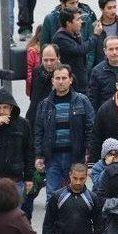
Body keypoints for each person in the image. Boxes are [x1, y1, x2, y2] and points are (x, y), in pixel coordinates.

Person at [34, 64, 95, 201]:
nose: (61, 81)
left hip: (75, 157)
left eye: (64, 78)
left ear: (70, 80)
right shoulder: (44, 105)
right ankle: (53, 222)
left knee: (76, 194)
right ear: (52, 81)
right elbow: (38, 132)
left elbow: (91, 129)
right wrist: (39, 155)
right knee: (52, 196)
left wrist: (88, 153)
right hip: (52, 158)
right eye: (57, 78)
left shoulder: (82, 101)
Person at [41, 0, 98, 73]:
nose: (75, 6)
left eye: (77, 2)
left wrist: (87, 68)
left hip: (81, 70)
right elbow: (44, 46)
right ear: (63, 4)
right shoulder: (51, 19)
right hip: (59, 71)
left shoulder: (85, 18)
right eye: (72, 3)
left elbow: (91, 49)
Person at [52, 7, 103, 93]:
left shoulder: (74, 33)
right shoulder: (60, 38)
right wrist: (96, 35)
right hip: (71, 84)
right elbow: (81, 50)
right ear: (68, 23)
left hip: (81, 81)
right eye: (78, 19)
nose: (81, 22)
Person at [26, 43, 60, 133]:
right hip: (35, 120)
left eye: (52, 60)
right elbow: (33, 99)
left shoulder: (63, 77)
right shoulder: (36, 72)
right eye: (45, 60)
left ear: (58, 58)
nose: (49, 63)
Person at [25, 25, 42, 96]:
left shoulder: (50, 48)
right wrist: (34, 83)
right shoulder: (32, 51)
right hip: (35, 88)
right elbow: (28, 70)